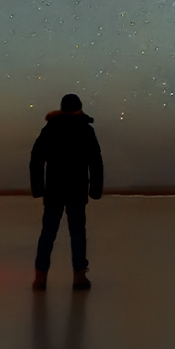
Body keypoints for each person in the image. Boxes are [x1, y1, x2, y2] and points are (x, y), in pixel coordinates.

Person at [30, 92, 104, 291]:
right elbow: (96, 162)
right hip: (77, 190)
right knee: (78, 233)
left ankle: (40, 279)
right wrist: (95, 190)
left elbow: (36, 158)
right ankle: (79, 277)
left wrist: (38, 189)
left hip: (54, 189)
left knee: (48, 233)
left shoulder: (50, 129)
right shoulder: (86, 131)